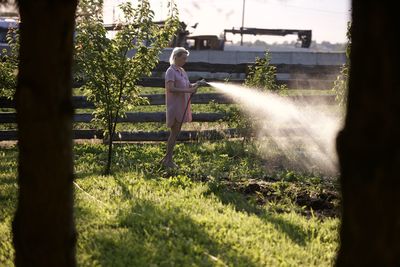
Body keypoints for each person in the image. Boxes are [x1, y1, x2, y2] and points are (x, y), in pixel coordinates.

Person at [160, 47, 200, 169]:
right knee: (174, 133)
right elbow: (170, 88)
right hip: (175, 105)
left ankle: (167, 159)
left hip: (182, 105)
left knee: (175, 133)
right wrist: (188, 90)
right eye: (183, 58)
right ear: (176, 57)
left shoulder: (181, 70)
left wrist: (196, 84)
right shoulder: (170, 71)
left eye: (185, 58)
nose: (185, 61)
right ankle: (168, 161)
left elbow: (187, 85)